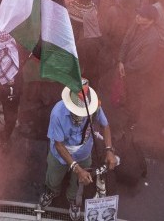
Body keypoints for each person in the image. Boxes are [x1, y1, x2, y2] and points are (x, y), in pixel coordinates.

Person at [40, 80, 118, 219]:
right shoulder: (57, 113)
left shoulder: (95, 108)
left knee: (78, 182)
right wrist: (76, 168)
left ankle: (73, 200)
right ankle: (52, 191)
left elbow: (105, 125)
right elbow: (58, 145)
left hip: (84, 153)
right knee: (54, 177)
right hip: (60, 154)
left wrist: (109, 150)